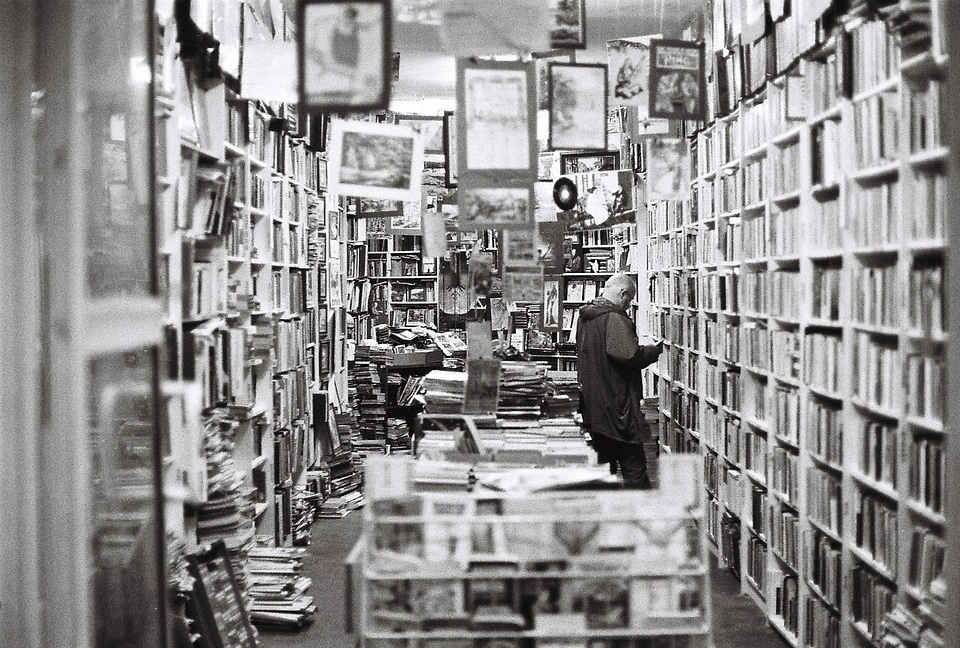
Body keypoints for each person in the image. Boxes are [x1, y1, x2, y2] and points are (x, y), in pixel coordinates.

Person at [576, 273, 663, 488]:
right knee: (634, 469)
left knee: (604, 472)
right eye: (629, 299)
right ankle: (643, 517)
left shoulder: (586, 317)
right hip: (617, 408)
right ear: (622, 293)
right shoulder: (614, 318)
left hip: (594, 407)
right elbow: (628, 355)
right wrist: (653, 351)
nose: (628, 304)